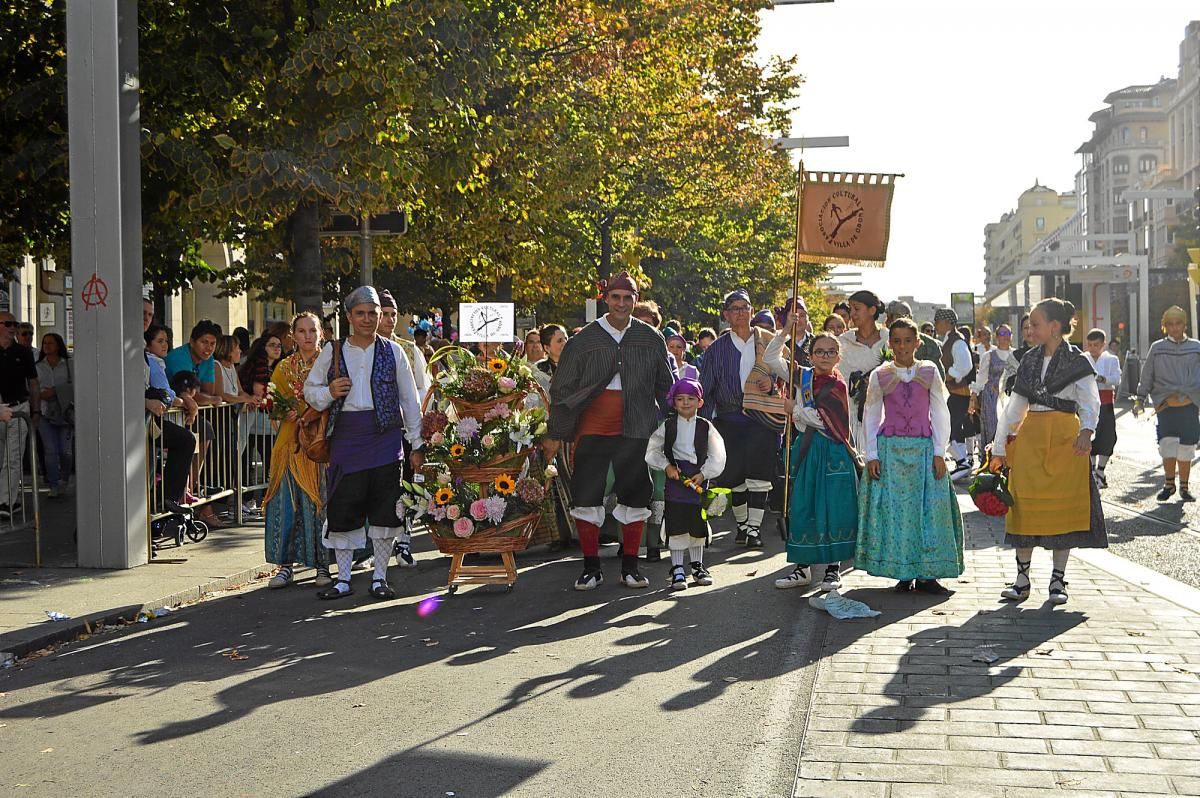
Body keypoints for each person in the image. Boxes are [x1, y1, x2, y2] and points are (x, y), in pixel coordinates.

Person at [543, 272, 674, 590]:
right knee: (587, 496)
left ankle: (630, 567)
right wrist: (555, 433)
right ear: (606, 299)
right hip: (593, 427)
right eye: (616, 297)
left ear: (635, 301)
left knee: (635, 496)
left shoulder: (650, 337)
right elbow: (562, 390)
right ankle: (591, 568)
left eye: (628, 298)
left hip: (636, 427)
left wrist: (674, 428)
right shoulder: (584, 340)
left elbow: (665, 387)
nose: (621, 303)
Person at [304, 286, 424, 600]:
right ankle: (343, 580)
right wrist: (330, 392)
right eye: (362, 313)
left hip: (385, 438)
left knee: (386, 511)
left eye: (374, 313)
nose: (369, 319)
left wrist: (417, 443)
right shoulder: (332, 350)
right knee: (344, 508)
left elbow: (410, 401)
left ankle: (380, 578)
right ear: (349, 317)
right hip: (346, 438)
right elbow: (310, 391)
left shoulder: (393, 351)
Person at [990, 298, 1107, 605]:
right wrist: (1000, 446)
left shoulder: (1078, 361)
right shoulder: (1028, 360)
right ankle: (1022, 579)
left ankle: (1058, 580)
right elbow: (1015, 407)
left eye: (1036, 324)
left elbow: (1090, 400)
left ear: (1054, 327)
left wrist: (1087, 430)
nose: (1031, 329)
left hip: (1066, 441)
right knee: (1023, 507)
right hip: (1032, 438)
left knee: (1062, 511)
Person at [858, 319, 964, 594]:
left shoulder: (929, 372)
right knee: (898, 512)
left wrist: (940, 452)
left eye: (908, 340)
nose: (902, 346)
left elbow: (941, 412)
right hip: (890, 450)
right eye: (896, 341)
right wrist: (872, 454)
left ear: (918, 343)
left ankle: (928, 573)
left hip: (923, 449)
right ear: (889, 343)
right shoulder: (880, 375)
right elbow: (871, 414)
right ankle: (902, 570)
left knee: (930, 508)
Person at [767, 332, 858, 592]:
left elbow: (823, 419)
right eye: (819, 351)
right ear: (810, 355)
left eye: (831, 352)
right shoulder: (803, 377)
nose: (825, 356)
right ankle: (801, 568)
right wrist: (785, 330)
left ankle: (832, 569)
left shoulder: (837, 385)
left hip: (833, 451)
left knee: (833, 507)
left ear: (838, 357)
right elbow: (771, 357)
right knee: (804, 504)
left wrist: (794, 409)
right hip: (808, 450)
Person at [699, 289, 781, 548]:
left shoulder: (768, 343)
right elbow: (706, 389)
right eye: (735, 308)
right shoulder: (716, 349)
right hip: (729, 419)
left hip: (762, 418)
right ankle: (743, 525)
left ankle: (754, 529)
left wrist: (774, 383)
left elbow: (788, 376)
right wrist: (702, 427)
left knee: (759, 475)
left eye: (745, 307)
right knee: (734, 478)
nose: (741, 312)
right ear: (726, 315)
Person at [263, 312, 333, 589]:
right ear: (293, 335)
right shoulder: (283, 367)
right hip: (290, 444)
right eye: (301, 331)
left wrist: (315, 411)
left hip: (319, 443)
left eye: (312, 331)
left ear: (320, 334)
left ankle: (323, 565)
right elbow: (273, 401)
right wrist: (285, 412)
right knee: (286, 503)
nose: (307, 336)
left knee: (320, 504)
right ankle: (285, 566)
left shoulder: (330, 365)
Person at [645, 378, 726, 590]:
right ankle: (678, 568)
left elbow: (718, 454)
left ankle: (697, 565)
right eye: (680, 399)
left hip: (697, 480)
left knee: (696, 524)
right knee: (676, 524)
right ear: (673, 402)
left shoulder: (706, 426)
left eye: (691, 398)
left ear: (700, 402)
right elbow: (653, 450)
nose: (686, 403)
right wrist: (666, 467)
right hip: (676, 481)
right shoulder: (667, 426)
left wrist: (704, 473)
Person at [377, 288, 429, 569]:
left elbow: (421, 389)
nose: (388, 319)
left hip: (403, 430)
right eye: (383, 314)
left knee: (407, 487)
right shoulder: (364, 349)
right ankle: (379, 545)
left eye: (392, 315)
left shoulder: (409, 349)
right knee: (382, 489)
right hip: (376, 431)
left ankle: (405, 542)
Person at [1134, 306, 1200, 502]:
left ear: (1184, 324)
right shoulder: (1157, 348)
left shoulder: (1196, 347)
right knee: (1168, 445)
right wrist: (1140, 399)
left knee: (1187, 448)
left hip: (1190, 405)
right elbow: (1147, 376)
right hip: (1166, 406)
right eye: (1169, 324)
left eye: (1178, 323)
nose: (1174, 328)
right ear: (1164, 326)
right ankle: (1169, 484)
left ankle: (1184, 487)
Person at [838, 290, 887, 454]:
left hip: (886, 414)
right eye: (850, 309)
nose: (852, 314)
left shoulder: (889, 339)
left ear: (872, 310)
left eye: (856, 309)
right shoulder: (844, 342)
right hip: (854, 416)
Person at [0, 311, 39, 519]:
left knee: (13, 457)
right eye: (8, 323)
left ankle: (5, 501)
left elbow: (33, 382)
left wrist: (36, 410)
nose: (12, 327)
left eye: (14, 323)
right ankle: (7, 497)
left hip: (18, 408)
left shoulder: (23, 353)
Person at [934, 308, 978, 480]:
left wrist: (948, 375)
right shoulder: (949, 341)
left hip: (959, 392)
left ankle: (962, 462)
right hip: (954, 392)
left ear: (947, 323)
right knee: (950, 424)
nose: (936, 325)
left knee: (951, 424)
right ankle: (962, 461)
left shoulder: (957, 342)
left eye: (938, 322)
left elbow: (965, 365)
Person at [34, 333, 73, 499]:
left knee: (65, 451)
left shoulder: (68, 365)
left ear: (58, 345)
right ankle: (54, 484)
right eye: (45, 343)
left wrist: (56, 391)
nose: (47, 346)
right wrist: (38, 396)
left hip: (65, 412)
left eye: (51, 343)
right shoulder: (37, 366)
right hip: (44, 412)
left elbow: (75, 385)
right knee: (50, 450)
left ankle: (64, 479)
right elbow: (32, 387)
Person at [1084, 328, 1121, 489]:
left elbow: (1116, 380)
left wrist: (1101, 378)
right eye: (1090, 345)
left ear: (1103, 344)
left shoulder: (1111, 360)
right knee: (1089, 436)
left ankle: (1101, 469)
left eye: (1096, 345)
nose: (1093, 348)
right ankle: (1092, 469)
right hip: (1087, 403)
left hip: (1106, 403)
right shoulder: (1083, 358)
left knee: (1107, 437)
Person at [970, 323, 1014, 455]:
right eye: (1001, 334)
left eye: (1007, 334)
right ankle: (990, 462)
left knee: (1010, 431)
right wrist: (973, 398)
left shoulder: (1016, 355)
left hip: (1011, 398)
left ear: (1011, 336)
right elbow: (981, 379)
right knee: (992, 430)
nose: (1005, 337)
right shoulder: (989, 356)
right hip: (991, 399)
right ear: (996, 337)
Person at [164, 320, 224, 407]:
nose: (209, 348)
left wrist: (207, 398)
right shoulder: (178, 357)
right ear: (192, 342)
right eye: (204, 342)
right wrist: (215, 399)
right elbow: (190, 395)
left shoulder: (209, 358)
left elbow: (208, 392)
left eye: (212, 343)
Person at [888, 300, 943, 376]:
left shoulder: (929, 345)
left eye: (892, 317)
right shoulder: (882, 340)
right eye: (887, 317)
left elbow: (937, 377)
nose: (887, 321)